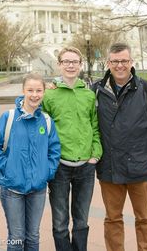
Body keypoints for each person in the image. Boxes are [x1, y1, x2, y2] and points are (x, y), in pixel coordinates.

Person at [92, 42, 147, 251]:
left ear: (131, 62)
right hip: (110, 167)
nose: (119, 65)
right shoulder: (96, 90)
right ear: (108, 63)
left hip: (141, 167)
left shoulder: (146, 89)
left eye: (124, 61)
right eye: (115, 61)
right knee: (113, 218)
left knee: (144, 218)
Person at [0, 73, 60, 251]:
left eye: (38, 90)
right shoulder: (9, 117)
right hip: (12, 188)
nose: (34, 95)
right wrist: (8, 169)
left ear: (43, 92)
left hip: (38, 189)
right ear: (23, 91)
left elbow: (54, 150)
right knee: (17, 236)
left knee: (33, 236)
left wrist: (46, 172)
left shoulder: (47, 121)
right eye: (30, 90)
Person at [43, 46, 103, 251]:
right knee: (60, 221)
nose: (70, 65)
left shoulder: (88, 95)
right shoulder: (48, 96)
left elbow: (95, 126)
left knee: (81, 220)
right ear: (59, 64)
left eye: (74, 62)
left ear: (80, 65)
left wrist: (95, 154)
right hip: (59, 166)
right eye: (66, 61)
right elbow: (39, 126)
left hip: (86, 166)